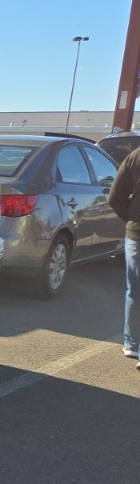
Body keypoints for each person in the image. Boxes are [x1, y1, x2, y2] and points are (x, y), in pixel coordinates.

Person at [106, 141, 140, 365]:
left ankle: (132, 344)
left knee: (135, 292)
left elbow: (114, 198)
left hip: (137, 234)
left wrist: (132, 219)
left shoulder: (135, 156)